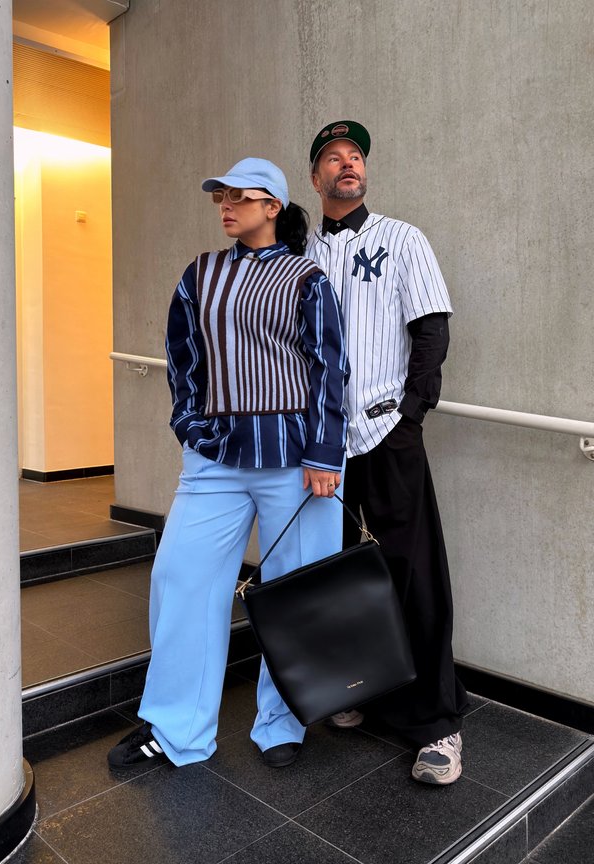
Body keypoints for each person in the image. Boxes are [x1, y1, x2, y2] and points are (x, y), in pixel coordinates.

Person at [108, 158, 349, 771]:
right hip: (214, 461)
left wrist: (325, 452)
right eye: (221, 197)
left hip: (297, 464)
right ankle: (176, 729)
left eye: (240, 196)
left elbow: (330, 367)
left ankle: (283, 721)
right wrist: (191, 429)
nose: (226, 206)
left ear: (272, 206)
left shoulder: (307, 278)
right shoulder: (200, 274)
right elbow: (182, 357)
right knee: (181, 580)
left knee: (298, 592)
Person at [306, 122, 468, 785]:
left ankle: (437, 723)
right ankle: (358, 689)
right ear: (315, 177)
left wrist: (411, 413)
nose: (348, 164)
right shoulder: (301, 251)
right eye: (333, 157)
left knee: (413, 573)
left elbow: (431, 330)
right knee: (341, 575)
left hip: (385, 433)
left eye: (356, 156)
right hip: (323, 445)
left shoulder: (402, 238)